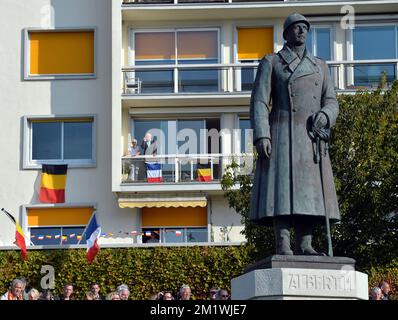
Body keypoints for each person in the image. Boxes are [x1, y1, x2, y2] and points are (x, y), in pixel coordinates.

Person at [250, 13, 340, 256]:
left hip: (310, 136)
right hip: (281, 132)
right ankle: (283, 242)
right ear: (286, 33)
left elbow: (331, 100)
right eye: (296, 28)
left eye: (304, 28)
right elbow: (259, 102)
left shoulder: (320, 66)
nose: (301, 31)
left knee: (308, 191)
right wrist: (262, 135)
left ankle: (305, 243)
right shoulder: (272, 62)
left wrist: (326, 115)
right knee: (281, 189)